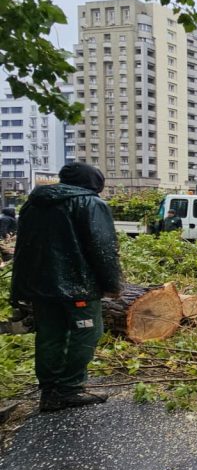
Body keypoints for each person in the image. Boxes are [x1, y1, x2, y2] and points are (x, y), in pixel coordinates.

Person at [10, 162, 122, 412]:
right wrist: (112, 284)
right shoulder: (90, 203)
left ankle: (49, 391)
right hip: (77, 285)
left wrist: (21, 288)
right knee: (88, 332)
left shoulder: (34, 203)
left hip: (40, 286)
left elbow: (22, 248)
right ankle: (69, 388)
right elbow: (102, 248)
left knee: (50, 334)